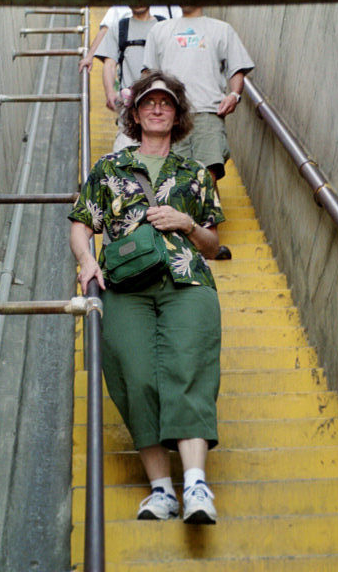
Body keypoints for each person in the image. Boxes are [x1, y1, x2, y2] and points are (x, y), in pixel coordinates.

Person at [69, 70, 225, 524]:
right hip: (125, 286)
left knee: (188, 369)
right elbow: (82, 222)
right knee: (135, 377)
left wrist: (186, 223)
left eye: (166, 102)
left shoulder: (195, 174)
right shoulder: (108, 168)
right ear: (135, 115)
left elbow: (212, 245)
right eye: (148, 103)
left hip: (187, 284)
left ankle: (195, 485)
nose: (158, 108)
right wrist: (86, 260)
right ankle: (161, 491)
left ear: (178, 115)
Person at [143, 6, 254, 258]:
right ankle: (185, 242)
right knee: (174, 178)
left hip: (208, 111)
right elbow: (149, 74)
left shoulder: (221, 29)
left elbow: (237, 69)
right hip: (172, 113)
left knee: (207, 175)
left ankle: (207, 242)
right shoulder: (160, 30)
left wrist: (234, 95)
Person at [94, 5, 164, 151]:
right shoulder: (119, 28)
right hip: (129, 108)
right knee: (124, 154)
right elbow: (109, 64)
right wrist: (110, 92)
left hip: (160, 105)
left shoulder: (163, 26)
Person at [79, 4, 181, 74]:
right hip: (130, 70)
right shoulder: (120, 6)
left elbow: (182, 29)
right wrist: (89, 57)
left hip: (162, 72)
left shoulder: (169, 5)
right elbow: (106, 29)